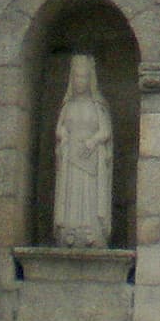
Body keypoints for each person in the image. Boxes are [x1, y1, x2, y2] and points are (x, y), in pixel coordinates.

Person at [52, 53, 116, 249]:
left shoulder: (97, 106)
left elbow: (105, 131)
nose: (80, 81)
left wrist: (93, 141)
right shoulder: (68, 106)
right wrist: (62, 135)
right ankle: (69, 232)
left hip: (91, 161)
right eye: (77, 77)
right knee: (71, 194)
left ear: (90, 79)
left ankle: (91, 231)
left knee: (89, 195)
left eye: (84, 77)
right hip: (70, 160)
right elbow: (59, 128)